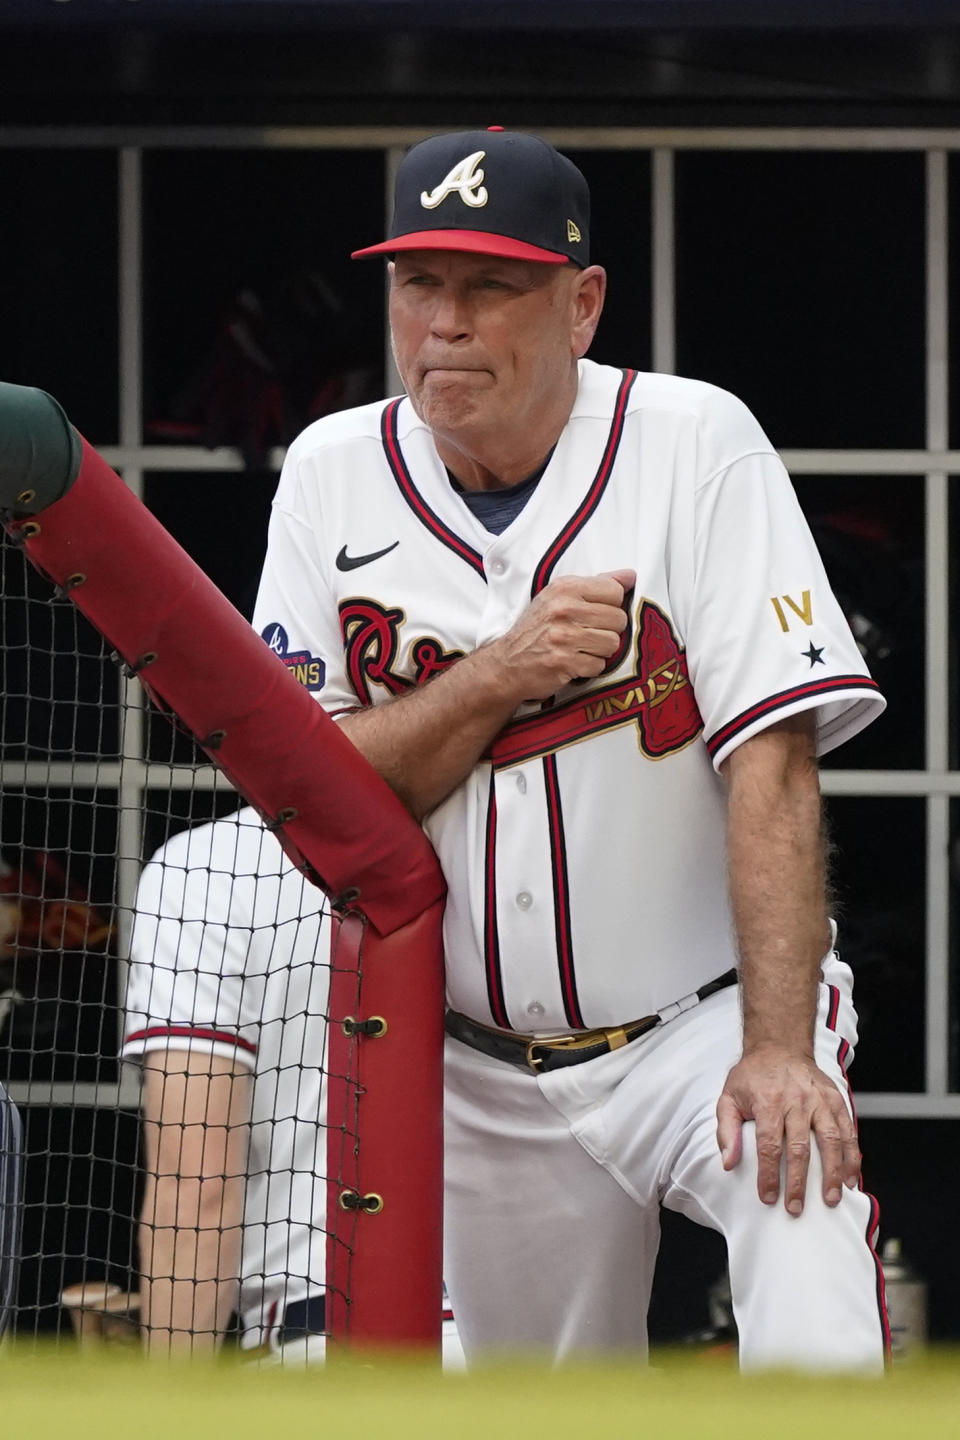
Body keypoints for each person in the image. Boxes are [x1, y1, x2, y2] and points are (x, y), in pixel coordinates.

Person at [251, 128, 889, 1371]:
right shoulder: (331, 473)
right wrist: (502, 675)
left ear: (582, 303)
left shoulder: (698, 443)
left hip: (703, 1021)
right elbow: (311, 795)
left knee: (807, 1264)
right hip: (484, 1068)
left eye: (491, 287)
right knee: (543, 1400)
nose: (445, 323)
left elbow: (773, 766)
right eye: (418, 283)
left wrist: (777, 1046)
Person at [123, 805, 464, 1365]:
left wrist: (169, 1410)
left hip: (320, 1350)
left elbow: (196, 1184)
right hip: (542, 1357)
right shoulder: (514, 838)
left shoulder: (210, 866)